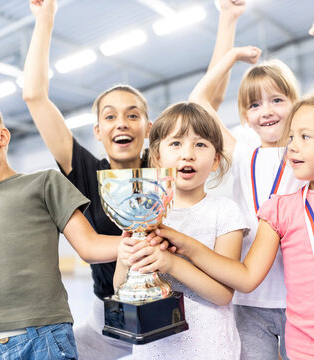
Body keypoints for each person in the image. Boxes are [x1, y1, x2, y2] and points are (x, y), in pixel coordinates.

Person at [23, 0, 247, 358]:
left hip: (174, 306)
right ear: (98, 130)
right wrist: (45, 16)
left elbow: (206, 109)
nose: (122, 123)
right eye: (110, 117)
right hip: (110, 311)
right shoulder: (85, 171)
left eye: (132, 114)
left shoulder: (164, 169)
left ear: (150, 127)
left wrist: (227, 18)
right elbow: (35, 97)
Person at [136, 88, 314, 359]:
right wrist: (187, 246)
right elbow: (246, 278)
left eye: (304, 137)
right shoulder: (280, 209)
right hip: (306, 347)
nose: (291, 148)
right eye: (291, 138)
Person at [188, 14, 314, 360]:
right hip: (250, 297)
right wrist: (230, 57)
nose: (266, 111)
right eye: (254, 104)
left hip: (301, 294)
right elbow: (199, 100)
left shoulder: (308, 149)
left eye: (277, 100)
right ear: (245, 114)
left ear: (295, 105)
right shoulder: (242, 149)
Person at [0, 97, 124, 359]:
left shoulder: (44, 183)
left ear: (2, 137)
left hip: (42, 341)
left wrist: (138, 241)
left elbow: (89, 246)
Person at [115, 102, 248, 359]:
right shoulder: (142, 211)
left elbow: (223, 295)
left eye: (200, 144)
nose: (188, 154)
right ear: (157, 158)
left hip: (209, 345)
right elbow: (121, 287)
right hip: (155, 346)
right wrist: (124, 257)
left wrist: (172, 264)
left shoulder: (226, 212)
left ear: (216, 159)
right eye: (176, 143)